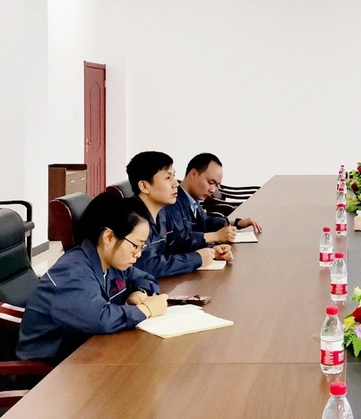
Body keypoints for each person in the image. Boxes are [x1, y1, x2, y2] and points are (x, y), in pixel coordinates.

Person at [17, 193, 169, 362]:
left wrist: (139, 292)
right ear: (108, 237)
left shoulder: (113, 262)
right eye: (136, 246)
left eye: (142, 247)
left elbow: (146, 278)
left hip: (88, 352)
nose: (138, 254)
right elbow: (100, 319)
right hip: (51, 367)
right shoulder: (71, 272)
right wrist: (146, 310)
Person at [126, 151, 230, 279]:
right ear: (144, 186)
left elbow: (178, 242)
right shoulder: (130, 219)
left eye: (174, 176)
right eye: (168, 178)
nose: (176, 184)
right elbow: (147, 265)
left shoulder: (161, 212)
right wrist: (196, 258)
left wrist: (212, 251)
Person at [163, 153, 261, 251]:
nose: (213, 190)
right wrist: (216, 236)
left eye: (216, 185)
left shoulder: (193, 198)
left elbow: (205, 221)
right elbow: (179, 239)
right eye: (210, 183)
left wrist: (236, 223)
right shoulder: (172, 201)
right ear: (194, 174)